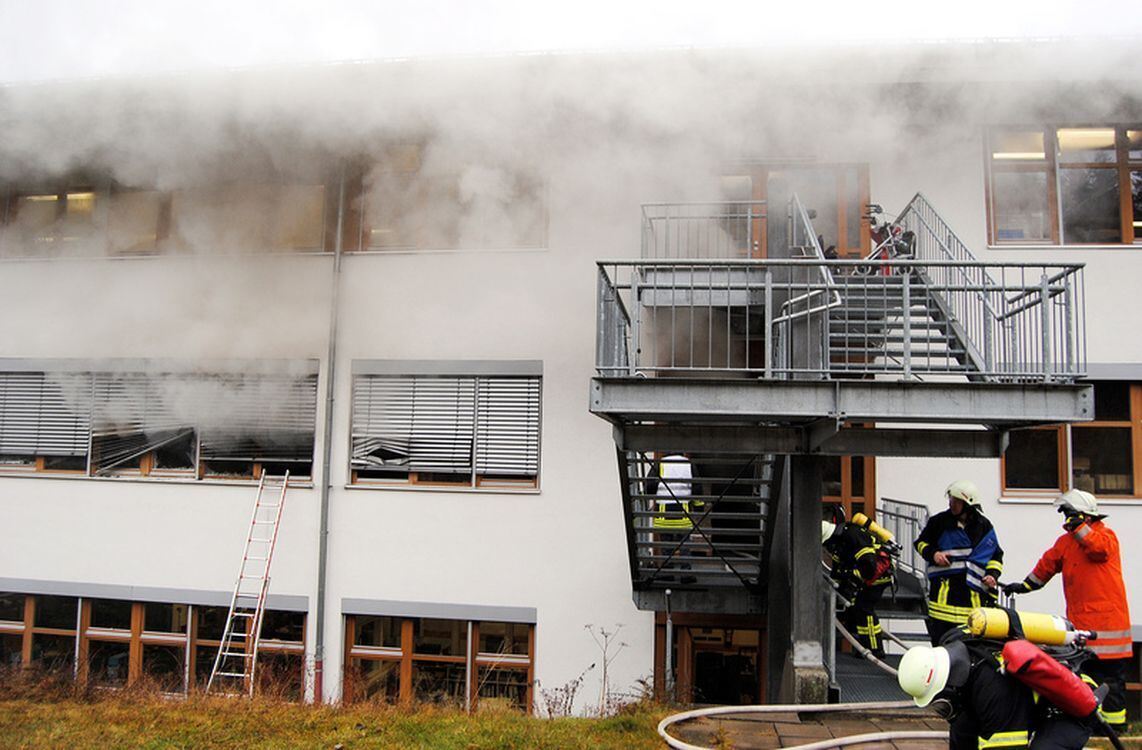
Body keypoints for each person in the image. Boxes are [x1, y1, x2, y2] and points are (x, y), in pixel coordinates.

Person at [1003, 489, 1132, 732]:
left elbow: (1098, 549)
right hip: (1083, 626)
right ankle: (1092, 723)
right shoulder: (1066, 543)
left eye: (1069, 514)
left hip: (1109, 627)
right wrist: (1023, 586)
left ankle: (1115, 727)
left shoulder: (1106, 536)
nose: (1065, 520)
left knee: (1111, 679)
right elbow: (1046, 566)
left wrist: (1080, 526)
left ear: (1084, 516)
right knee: (1086, 679)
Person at [897, 635, 1093, 750]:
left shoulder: (994, 693)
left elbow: (1008, 747)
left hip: (1066, 709)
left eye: (939, 702)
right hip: (1029, 706)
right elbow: (962, 739)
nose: (942, 709)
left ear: (947, 686)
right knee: (962, 729)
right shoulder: (965, 667)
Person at [914, 479, 1004, 644]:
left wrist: (992, 575)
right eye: (951, 500)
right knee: (942, 648)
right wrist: (934, 554)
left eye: (956, 501)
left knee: (970, 647)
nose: (952, 504)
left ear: (968, 504)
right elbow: (920, 543)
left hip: (972, 599)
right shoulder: (938, 522)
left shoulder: (983, 525)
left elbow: (995, 555)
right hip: (942, 599)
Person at [822, 519, 894, 655]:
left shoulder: (853, 537)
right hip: (865, 578)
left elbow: (869, 566)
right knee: (856, 609)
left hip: (877, 577)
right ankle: (863, 646)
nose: (827, 548)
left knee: (864, 608)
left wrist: (851, 576)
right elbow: (838, 569)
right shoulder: (839, 543)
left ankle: (875, 649)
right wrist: (837, 588)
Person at [651, 454, 703, 580]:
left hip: (664, 516)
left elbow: (650, 486)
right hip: (683, 515)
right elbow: (697, 489)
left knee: (666, 547)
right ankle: (686, 574)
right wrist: (699, 507)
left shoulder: (660, 464)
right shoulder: (689, 464)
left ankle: (667, 574)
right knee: (685, 547)